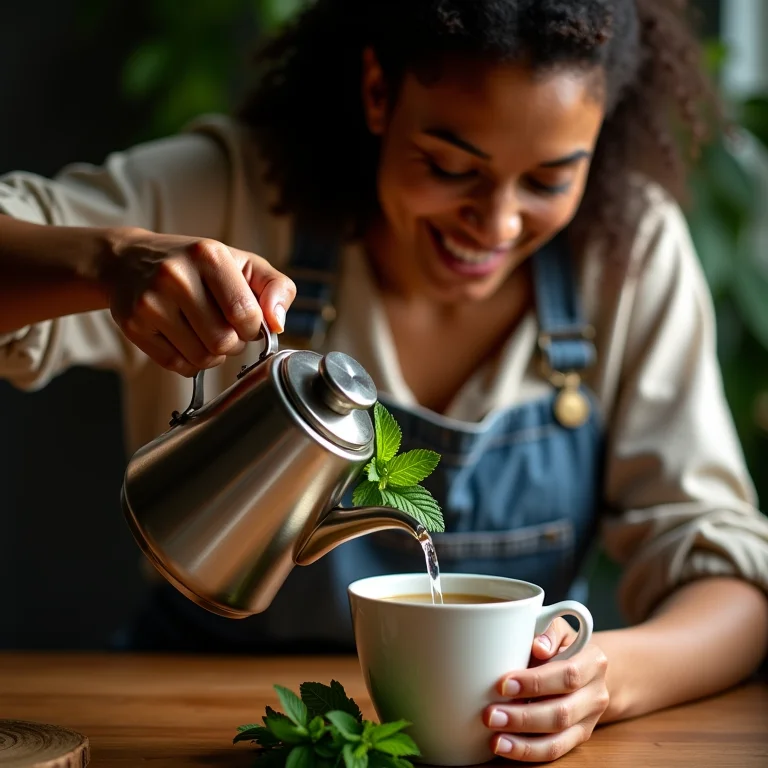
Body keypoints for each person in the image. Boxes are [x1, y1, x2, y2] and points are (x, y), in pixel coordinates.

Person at [2, 0, 767, 761]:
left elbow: (731, 577)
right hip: (182, 724)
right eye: (449, 166)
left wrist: (606, 679)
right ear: (378, 92)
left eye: (549, 180)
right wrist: (102, 260)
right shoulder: (237, 192)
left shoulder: (628, 253)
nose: (496, 225)